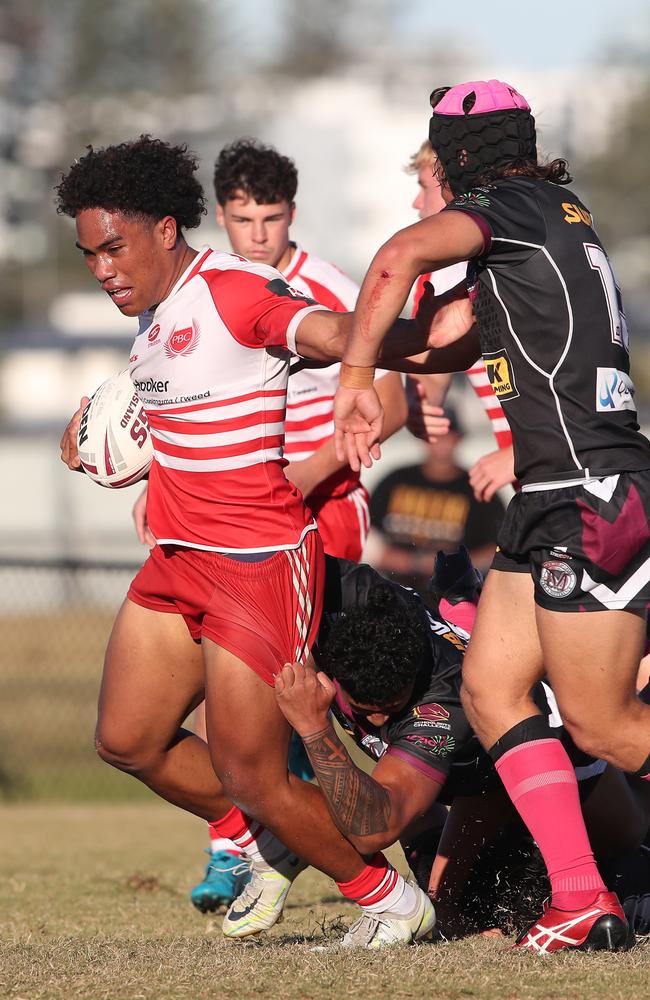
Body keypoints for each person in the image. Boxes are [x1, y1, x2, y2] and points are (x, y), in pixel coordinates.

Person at [57, 135, 438, 949]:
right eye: (89, 254)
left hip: (257, 563)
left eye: (113, 247)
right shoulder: (154, 319)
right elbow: (174, 419)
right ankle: (267, 835)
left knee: (254, 771)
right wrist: (94, 437)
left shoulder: (233, 289)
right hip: (178, 558)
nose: (102, 268)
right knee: (127, 740)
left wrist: (437, 341)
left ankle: (388, 898)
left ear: (166, 229)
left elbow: (332, 334)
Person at [332, 79, 650, 952]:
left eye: (435, 161)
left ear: (464, 158)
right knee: (491, 686)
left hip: (585, 492)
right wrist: (311, 336)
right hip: (550, 499)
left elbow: (400, 255)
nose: (424, 186)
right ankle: (583, 896)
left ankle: (595, 887)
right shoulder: (545, 213)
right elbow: (440, 341)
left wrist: (353, 381)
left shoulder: (510, 204)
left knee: (604, 723)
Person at [131, 139, 407, 912]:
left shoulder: (318, 286)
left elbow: (388, 391)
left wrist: (311, 471)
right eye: (243, 218)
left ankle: (348, 836)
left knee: (342, 701)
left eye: (272, 217)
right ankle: (245, 843)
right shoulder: (192, 290)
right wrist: (161, 479)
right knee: (231, 712)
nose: (258, 233)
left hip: (316, 512)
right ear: (218, 216)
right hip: (231, 514)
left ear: (294, 214)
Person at [274, 548, 650, 942]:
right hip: (471, 756)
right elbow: (284, 557)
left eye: (390, 708)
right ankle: (461, 606)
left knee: (627, 842)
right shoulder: (354, 615)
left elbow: (377, 826)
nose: (379, 721)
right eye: (365, 711)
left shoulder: (447, 704)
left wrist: (315, 728)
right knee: (459, 896)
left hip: (553, 753)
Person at [405, 140, 515, 504]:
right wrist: (419, 402)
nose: (416, 204)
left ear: (456, 186)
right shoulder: (438, 274)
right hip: (534, 482)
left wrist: (526, 454)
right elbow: (435, 366)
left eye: (424, 188)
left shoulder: (511, 259)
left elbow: (579, 376)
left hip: (571, 473)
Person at [367, 406, 505, 589]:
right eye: (435, 437)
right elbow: (365, 535)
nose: (441, 444)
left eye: (448, 437)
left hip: (456, 591)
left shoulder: (478, 485)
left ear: (459, 439)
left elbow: (497, 547)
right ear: (423, 439)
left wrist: (453, 569)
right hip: (391, 587)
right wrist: (413, 563)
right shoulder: (396, 480)